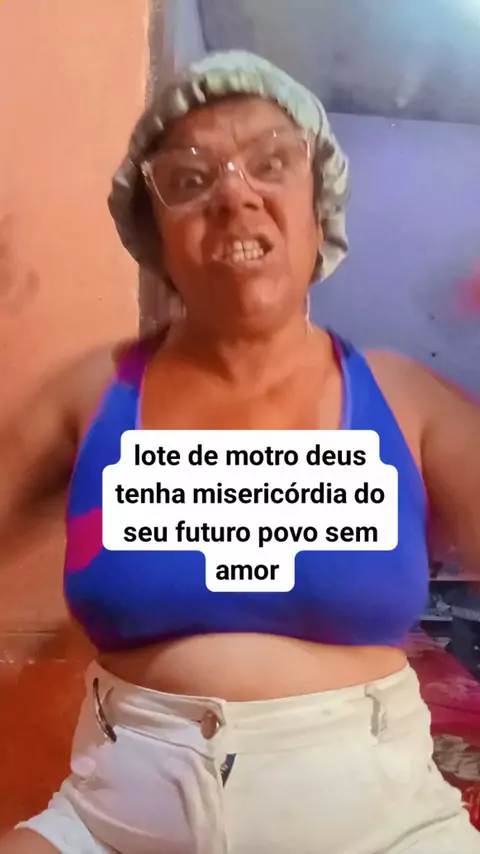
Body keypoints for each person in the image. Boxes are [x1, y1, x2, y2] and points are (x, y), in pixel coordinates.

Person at [0, 49, 479, 854]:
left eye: (270, 164)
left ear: (319, 209)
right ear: (154, 232)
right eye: (190, 179)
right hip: (113, 823)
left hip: (384, 828)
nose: (233, 194)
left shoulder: (408, 402)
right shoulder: (88, 396)